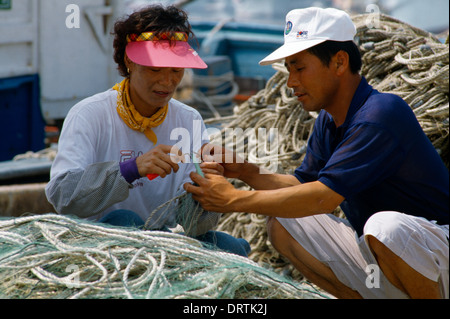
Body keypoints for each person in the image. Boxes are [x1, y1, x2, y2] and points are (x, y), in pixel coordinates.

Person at [185, 7, 449, 298]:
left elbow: (323, 197)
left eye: (299, 68)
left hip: (436, 255)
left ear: (339, 62)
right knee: (283, 220)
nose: (291, 82)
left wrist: (233, 199)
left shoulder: (381, 114)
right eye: (288, 70)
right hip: (383, 258)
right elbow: (304, 187)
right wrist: (247, 172)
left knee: (386, 227)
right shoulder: (329, 119)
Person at [45, 5, 250, 257]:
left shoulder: (189, 119)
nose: (167, 82)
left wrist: (209, 189)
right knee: (123, 219)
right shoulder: (89, 115)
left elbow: (194, 226)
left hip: (159, 243)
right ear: (129, 61)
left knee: (232, 248)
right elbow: (62, 197)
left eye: (176, 70)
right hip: (97, 244)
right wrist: (132, 169)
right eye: (155, 70)